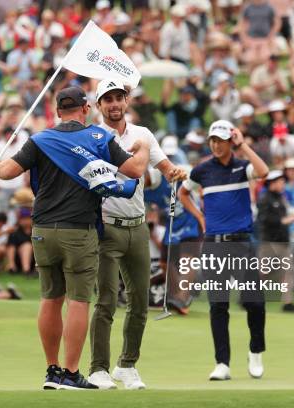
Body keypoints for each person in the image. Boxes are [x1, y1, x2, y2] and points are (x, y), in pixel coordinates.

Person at [0, 86, 150, 390]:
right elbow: (136, 169)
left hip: (42, 230)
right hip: (79, 230)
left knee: (50, 298)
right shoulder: (99, 138)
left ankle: (51, 371)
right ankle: (71, 374)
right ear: (86, 109)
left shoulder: (40, 140)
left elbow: (7, 172)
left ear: (58, 111)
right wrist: (144, 149)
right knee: (78, 300)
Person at [88, 80, 186, 390]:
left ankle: (127, 365)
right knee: (105, 301)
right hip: (105, 227)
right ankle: (98, 369)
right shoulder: (92, 137)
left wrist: (177, 173)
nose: (114, 104)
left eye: (119, 98)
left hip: (138, 226)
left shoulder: (143, 135)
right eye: (108, 99)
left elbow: (166, 167)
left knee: (140, 302)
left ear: (127, 101)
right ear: (99, 105)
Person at [179, 120, 269, 381]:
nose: (217, 145)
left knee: (255, 303)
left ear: (231, 142)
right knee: (218, 305)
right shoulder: (201, 171)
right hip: (214, 245)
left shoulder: (242, 167)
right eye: (213, 141)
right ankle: (222, 363)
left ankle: (255, 351)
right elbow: (184, 194)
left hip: (242, 243)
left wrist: (244, 146)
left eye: (222, 140)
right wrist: (200, 218)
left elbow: (263, 171)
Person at [257, 170, 294, 313]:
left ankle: (287, 303)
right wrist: (283, 221)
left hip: (283, 242)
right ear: (272, 183)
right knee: (262, 272)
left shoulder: (281, 199)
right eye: (280, 181)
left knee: (288, 272)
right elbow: (263, 219)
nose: (283, 184)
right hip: (269, 243)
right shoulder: (265, 198)